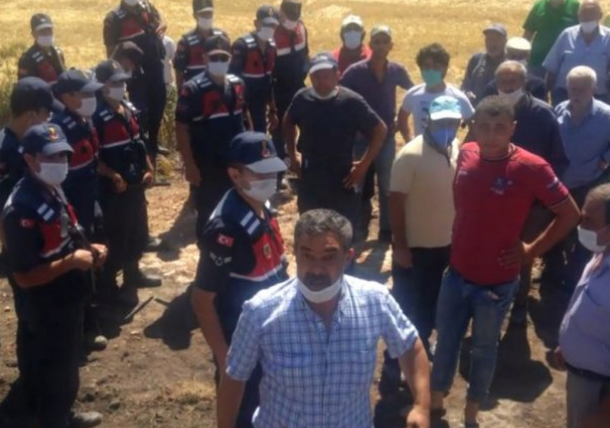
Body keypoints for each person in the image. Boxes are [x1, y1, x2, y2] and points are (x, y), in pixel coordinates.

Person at [430, 96, 580, 427]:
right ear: (473, 128)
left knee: (484, 350)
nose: (491, 135)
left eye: (499, 128)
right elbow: (462, 199)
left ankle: (471, 415)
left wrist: (532, 250)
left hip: (496, 282)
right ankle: (435, 406)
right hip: (456, 273)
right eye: (483, 127)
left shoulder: (532, 167)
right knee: (445, 343)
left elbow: (570, 213)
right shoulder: (467, 153)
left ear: (513, 129)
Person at [217, 209, 430, 428]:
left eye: (328, 257)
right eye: (307, 255)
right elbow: (234, 377)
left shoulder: (375, 301)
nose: (317, 269)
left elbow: (410, 347)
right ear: (295, 253)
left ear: (348, 257)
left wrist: (421, 406)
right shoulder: (261, 311)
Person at [3, 123, 106, 428]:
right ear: (30, 159)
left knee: (65, 366)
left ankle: (62, 413)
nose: (60, 163)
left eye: (63, 155)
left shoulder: (50, 188)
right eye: (51, 157)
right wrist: (72, 262)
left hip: (66, 297)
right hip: (45, 306)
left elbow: (62, 232)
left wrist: (87, 249)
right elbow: (24, 277)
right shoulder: (21, 208)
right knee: (51, 370)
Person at [191, 131, 288, 428]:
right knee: (244, 413)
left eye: (273, 171)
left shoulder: (260, 204)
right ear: (235, 174)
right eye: (260, 173)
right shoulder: (226, 228)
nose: (270, 179)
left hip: (271, 333)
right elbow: (202, 299)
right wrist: (226, 359)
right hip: (242, 340)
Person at [379, 96, 461, 404]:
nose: (447, 128)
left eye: (452, 122)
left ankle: (421, 348)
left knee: (431, 306)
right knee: (405, 309)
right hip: (414, 250)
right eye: (441, 122)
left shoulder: (456, 149)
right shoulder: (409, 156)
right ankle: (391, 367)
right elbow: (395, 204)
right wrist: (400, 246)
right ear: (428, 121)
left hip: (444, 246)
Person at [492, 60, 571, 324]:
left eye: (513, 81)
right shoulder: (490, 111)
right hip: (494, 198)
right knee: (494, 249)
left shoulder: (542, 114)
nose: (507, 86)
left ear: (524, 83)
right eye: (502, 81)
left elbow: (559, 160)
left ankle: (519, 304)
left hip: (531, 205)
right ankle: (492, 302)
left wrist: (544, 201)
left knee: (521, 254)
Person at [284, 52, 386, 228]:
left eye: (326, 76)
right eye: (316, 77)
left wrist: (364, 165)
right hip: (310, 176)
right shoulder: (302, 98)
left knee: (340, 229)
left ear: (337, 75)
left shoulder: (351, 101)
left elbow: (380, 130)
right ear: (310, 77)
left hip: (342, 178)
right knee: (310, 226)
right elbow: (288, 121)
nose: (321, 81)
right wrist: (293, 155)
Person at [92, 59, 160, 306]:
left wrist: (149, 168)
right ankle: (109, 287)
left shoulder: (128, 109)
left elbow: (139, 143)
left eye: (122, 81)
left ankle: (133, 274)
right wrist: (111, 175)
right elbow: (92, 157)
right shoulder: (96, 117)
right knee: (116, 237)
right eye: (115, 82)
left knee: (137, 232)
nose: (121, 86)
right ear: (102, 85)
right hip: (112, 190)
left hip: (134, 186)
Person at [50, 69, 107, 350]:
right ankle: (85, 326)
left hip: (88, 199)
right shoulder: (59, 129)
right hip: (72, 207)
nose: (91, 98)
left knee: (93, 257)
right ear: (66, 96)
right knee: (78, 264)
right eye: (84, 94)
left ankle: (94, 312)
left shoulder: (84, 120)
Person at [340, 24, 413, 241]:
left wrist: (402, 118)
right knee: (356, 183)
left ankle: (386, 230)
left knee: (387, 183)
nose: (381, 46)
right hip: (360, 138)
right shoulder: (355, 72)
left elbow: (414, 92)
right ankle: (353, 229)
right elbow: (340, 96)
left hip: (387, 139)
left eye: (385, 42)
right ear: (370, 44)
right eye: (377, 42)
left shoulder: (397, 71)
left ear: (391, 46)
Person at [175, 34, 249, 235]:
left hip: (235, 160)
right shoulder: (192, 89)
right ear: (204, 58)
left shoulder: (238, 84)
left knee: (237, 207)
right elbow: (181, 127)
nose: (219, 62)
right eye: (214, 57)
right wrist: (189, 165)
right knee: (209, 212)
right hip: (207, 164)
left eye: (223, 58)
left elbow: (245, 117)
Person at [553, 183, 610, 428]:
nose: (581, 226)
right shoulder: (601, 254)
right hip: (582, 379)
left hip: (598, 391)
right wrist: (568, 345)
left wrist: (604, 415)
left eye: (589, 221)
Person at [555, 66, 610, 287]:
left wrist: (606, 158)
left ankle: (575, 278)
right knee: (558, 229)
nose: (576, 93)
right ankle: (553, 272)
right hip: (561, 183)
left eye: (583, 89)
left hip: (589, 183)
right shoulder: (559, 110)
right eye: (573, 88)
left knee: (585, 232)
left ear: (594, 89)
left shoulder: (606, 115)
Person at [103, 0, 168, 164]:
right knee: (140, 112)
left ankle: (153, 145)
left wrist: (162, 25)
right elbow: (111, 52)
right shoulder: (113, 18)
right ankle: (143, 151)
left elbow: (160, 20)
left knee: (158, 107)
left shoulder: (146, 6)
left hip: (155, 67)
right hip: (136, 72)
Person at [398, 43, 474, 141]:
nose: (431, 71)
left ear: (445, 69)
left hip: (448, 150)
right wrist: (409, 141)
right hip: (420, 149)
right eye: (427, 66)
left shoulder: (458, 97)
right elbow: (402, 119)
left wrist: (463, 148)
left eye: (436, 67)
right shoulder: (412, 95)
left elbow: (474, 126)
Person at [543, 0, 610, 106]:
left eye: (592, 12)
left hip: (598, 98)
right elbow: (552, 68)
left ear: (600, 15)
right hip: (564, 95)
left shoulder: (608, 37)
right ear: (578, 16)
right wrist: (545, 94)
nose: (587, 17)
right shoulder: (567, 35)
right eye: (584, 13)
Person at [272, 0, 309, 171]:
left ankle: (301, 160)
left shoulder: (301, 28)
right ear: (281, 13)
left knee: (308, 125)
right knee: (279, 130)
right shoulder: (272, 34)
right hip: (279, 89)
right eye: (289, 17)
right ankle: (280, 169)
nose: (292, 22)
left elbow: (305, 54)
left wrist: (305, 72)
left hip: (298, 86)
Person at [229, 5, 279, 133]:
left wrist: (272, 109)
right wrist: (243, 111)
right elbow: (233, 81)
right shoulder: (241, 46)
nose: (270, 29)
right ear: (256, 23)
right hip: (242, 107)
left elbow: (269, 81)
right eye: (266, 24)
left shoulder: (272, 48)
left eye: (273, 26)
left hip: (260, 106)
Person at [174, 0, 228, 89]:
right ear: (195, 16)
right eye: (203, 14)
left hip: (218, 91)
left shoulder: (222, 38)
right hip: (195, 92)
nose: (207, 17)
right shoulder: (185, 42)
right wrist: (181, 93)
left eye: (209, 13)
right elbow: (179, 72)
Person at [522, 0, 580, 78]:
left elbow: (581, 31)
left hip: (564, 61)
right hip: (538, 59)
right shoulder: (539, 6)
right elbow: (528, 33)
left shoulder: (575, 6)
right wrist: (522, 54)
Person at [482, 37, 547, 102]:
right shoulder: (493, 87)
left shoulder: (537, 86)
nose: (516, 59)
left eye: (521, 56)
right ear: (505, 56)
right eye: (513, 56)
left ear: (528, 57)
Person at [461, 23, 507, 106]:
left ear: (505, 41)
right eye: (489, 39)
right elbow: (465, 85)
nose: (492, 44)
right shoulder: (476, 60)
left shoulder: (511, 65)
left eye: (496, 39)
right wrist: (467, 93)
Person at [17, 13, 67, 84]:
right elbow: (26, 85)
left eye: (49, 30)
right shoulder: (27, 58)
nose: (47, 34)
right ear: (33, 34)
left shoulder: (57, 52)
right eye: (42, 31)